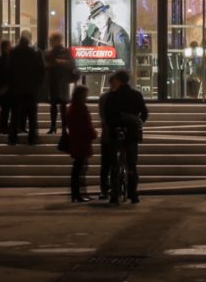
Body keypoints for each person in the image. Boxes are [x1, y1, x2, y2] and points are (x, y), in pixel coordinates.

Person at [102, 69, 149, 204]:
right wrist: (139, 122)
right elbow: (144, 113)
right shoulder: (136, 95)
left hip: (116, 131)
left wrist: (112, 125)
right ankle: (133, 194)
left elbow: (107, 115)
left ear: (118, 81)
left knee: (114, 165)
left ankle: (114, 195)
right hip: (132, 132)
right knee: (132, 164)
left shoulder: (112, 96)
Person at [7, 31, 45, 146]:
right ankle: (32, 138)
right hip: (31, 88)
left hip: (16, 88)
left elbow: (8, 70)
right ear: (29, 39)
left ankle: (12, 138)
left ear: (20, 39)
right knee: (32, 115)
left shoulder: (13, 52)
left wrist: (10, 85)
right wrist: (38, 84)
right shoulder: (36, 52)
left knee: (14, 114)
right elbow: (42, 70)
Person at [63, 85, 97, 203]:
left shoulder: (72, 107)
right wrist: (93, 134)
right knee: (80, 168)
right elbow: (85, 125)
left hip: (76, 140)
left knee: (78, 168)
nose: (87, 97)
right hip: (81, 141)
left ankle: (77, 194)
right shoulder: (80, 108)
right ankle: (78, 194)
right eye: (86, 94)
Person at [79, 0, 131, 67]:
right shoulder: (96, 31)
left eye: (99, 15)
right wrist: (84, 33)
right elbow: (89, 51)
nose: (97, 20)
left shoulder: (118, 32)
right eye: (94, 18)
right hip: (96, 74)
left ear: (106, 13)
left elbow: (124, 63)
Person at [44, 32, 78, 135]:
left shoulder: (66, 51)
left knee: (63, 107)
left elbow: (72, 64)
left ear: (58, 41)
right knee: (53, 107)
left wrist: (60, 62)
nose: (51, 43)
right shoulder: (49, 52)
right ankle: (53, 127)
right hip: (53, 82)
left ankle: (64, 127)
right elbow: (45, 65)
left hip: (63, 82)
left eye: (52, 40)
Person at [97, 75, 119, 200]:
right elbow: (102, 115)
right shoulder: (105, 98)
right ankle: (104, 189)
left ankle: (107, 189)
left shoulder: (107, 97)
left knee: (108, 163)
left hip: (111, 132)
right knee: (106, 163)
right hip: (108, 133)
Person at [0, 39, 12, 135]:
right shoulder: (6, 59)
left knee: (5, 109)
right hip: (6, 88)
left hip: (2, 87)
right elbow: (6, 74)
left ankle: (3, 127)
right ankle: (4, 127)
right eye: (10, 45)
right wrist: (6, 86)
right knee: (6, 109)